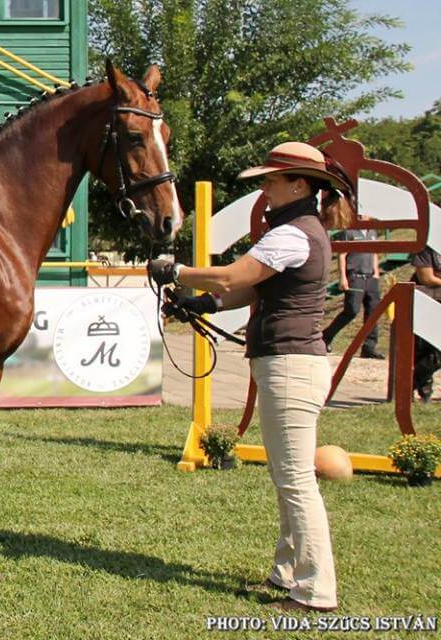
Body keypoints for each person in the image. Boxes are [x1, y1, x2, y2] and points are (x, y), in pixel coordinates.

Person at [149, 141, 355, 613]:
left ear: (299, 185)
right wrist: (201, 303)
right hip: (288, 364)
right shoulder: (297, 230)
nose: (265, 188)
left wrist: (177, 271)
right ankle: (287, 573)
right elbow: (248, 291)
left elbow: (232, 276)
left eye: (272, 180)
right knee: (288, 478)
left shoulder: (294, 234)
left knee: (296, 482)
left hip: (290, 366)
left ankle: (316, 591)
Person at [321, 220, 384, 358]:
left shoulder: (372, 231)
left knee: (373, 312)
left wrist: (376, 273)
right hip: (355, 276)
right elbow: (342, 255)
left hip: (370, 277)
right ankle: (326, 337)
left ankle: (369, 347)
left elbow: (374, 253)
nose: (364, 216)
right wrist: (342, 277)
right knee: (351, 310)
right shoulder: (349, 231)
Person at [411, 245, 441, 402]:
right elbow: (426, 277)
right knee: (424, 349)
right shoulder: (427, 248)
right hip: (426, 301)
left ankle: (409, 384)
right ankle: (423, 392)